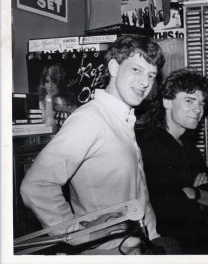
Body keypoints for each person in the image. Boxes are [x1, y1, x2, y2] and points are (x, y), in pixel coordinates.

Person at [20, 35, 165, 254]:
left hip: (136, 246)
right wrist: (80, 234)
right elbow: (36, 185)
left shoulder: (122, 119)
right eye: (136, 70)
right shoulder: (90, 119)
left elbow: (137, 195)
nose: (145, 82)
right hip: (107, 251)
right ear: (114, 67)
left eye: (151, 75)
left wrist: (152, 238)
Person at [137, 68, 208, 254]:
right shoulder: (149, 145)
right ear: (167, 101)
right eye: (189, 101)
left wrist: (193, 193)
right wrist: (198, 196)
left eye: (201, 103)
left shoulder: (190, 148)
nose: (198, 110)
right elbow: (164, 207)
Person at [38, 62, 78, 133]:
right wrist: (48, 101)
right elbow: (50, 131)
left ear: (60, 82)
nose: (50, 86)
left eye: (54, 81)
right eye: (47, 81)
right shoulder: (42, 104)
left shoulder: (70, 101)